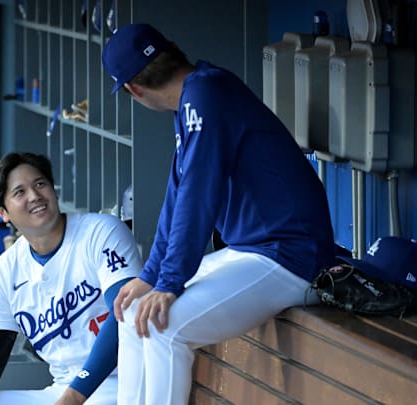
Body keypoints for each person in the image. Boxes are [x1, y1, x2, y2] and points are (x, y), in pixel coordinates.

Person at [102, 23, 337, 404]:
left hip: (291, 256)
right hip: (256, 251)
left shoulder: (205, 94)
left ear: (133, 89)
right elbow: (177, 197)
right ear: (172, 49)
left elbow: (197, 197)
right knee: (132, 312)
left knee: (163, 326)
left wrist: (169, 281)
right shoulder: (195, 96)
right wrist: (151, 277)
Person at [0, 152, 142, 405]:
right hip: (62, 390)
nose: (34, 196)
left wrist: (74, 397)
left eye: (40, 184)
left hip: (122, 381)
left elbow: (124, 312)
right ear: (3, 212)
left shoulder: (101, 231)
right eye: (19, 192)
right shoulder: (2, 274)